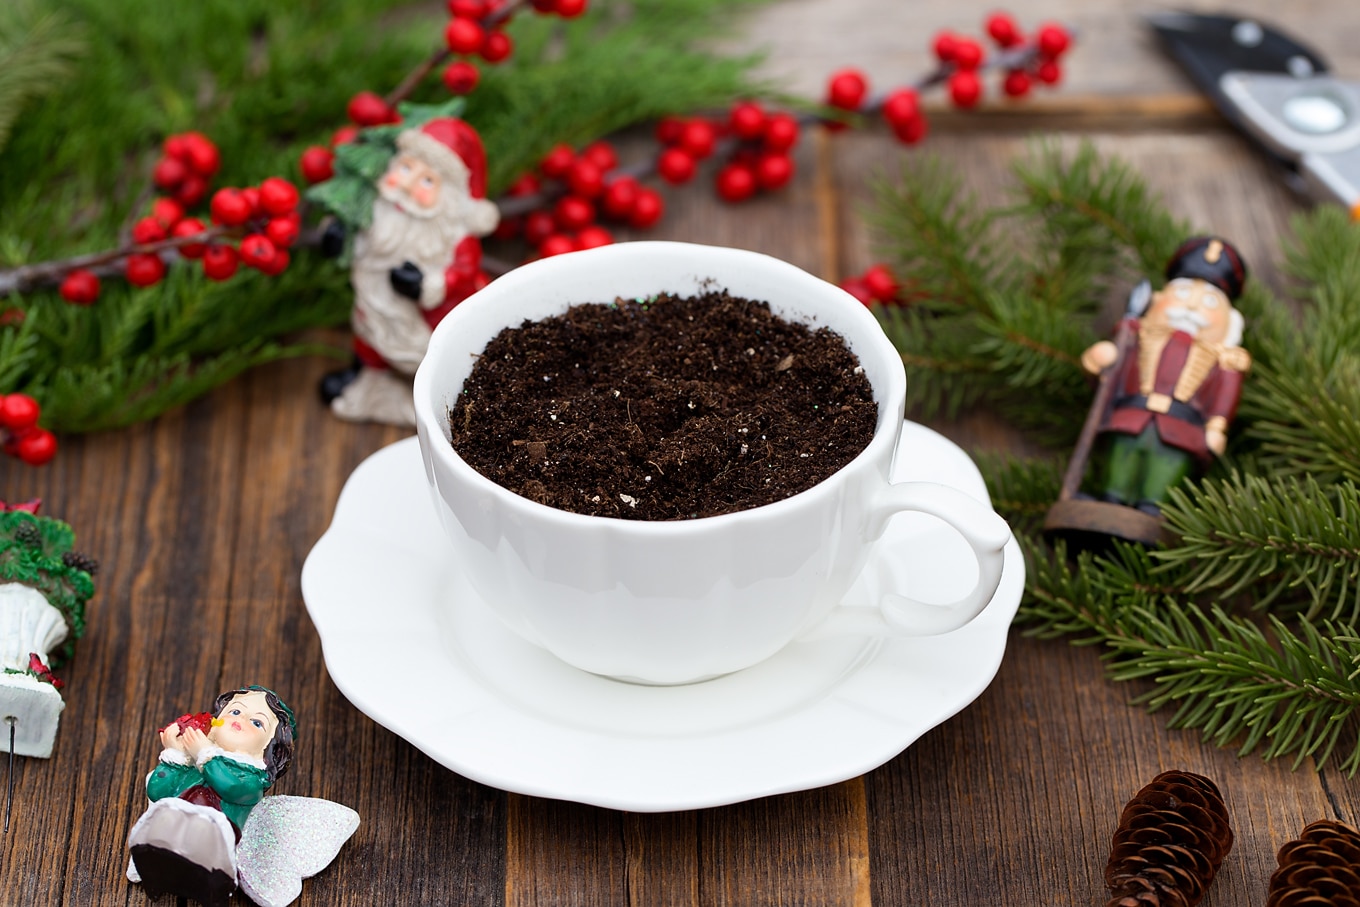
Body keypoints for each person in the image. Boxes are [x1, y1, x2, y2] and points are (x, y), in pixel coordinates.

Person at [322, 117, 500, 425]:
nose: (405, 185)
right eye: (405, 168)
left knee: (437, 356)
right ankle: (368, 374)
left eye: (427, 181)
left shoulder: (454, 238)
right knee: (369, 330)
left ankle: (449, 394)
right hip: (374, 304)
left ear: (450, 198)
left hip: (430, 319)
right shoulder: (379, 213)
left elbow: (462, 273)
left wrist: (425, 285)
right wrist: (338, 240)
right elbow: (364, 241)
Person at [1080, 236, 1251, 515]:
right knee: (1120, 461)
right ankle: (1110, 500)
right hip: (1130, 417)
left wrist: (1215, 427)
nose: (1192, 307)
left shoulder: (1224, 361)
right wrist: (1100, 361)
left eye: (1209, 301)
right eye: (1182, 294)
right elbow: (1113, 371)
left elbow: (1224, 396)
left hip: (1181, 429)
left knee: (1164, 471)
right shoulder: (1135, 336)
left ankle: (1152, 509)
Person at [127, 686, 297, 907]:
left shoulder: (251, 778)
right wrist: (175, 755)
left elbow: (231, 787)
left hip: (213, 845)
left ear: (268, 747)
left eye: (257, 723)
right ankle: (151, 860)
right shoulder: (191, 762)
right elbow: (157, 791)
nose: (240, 719)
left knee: (206, 831)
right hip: (169, 833)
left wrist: (204, 754)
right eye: (235, 711)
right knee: (163, 820)